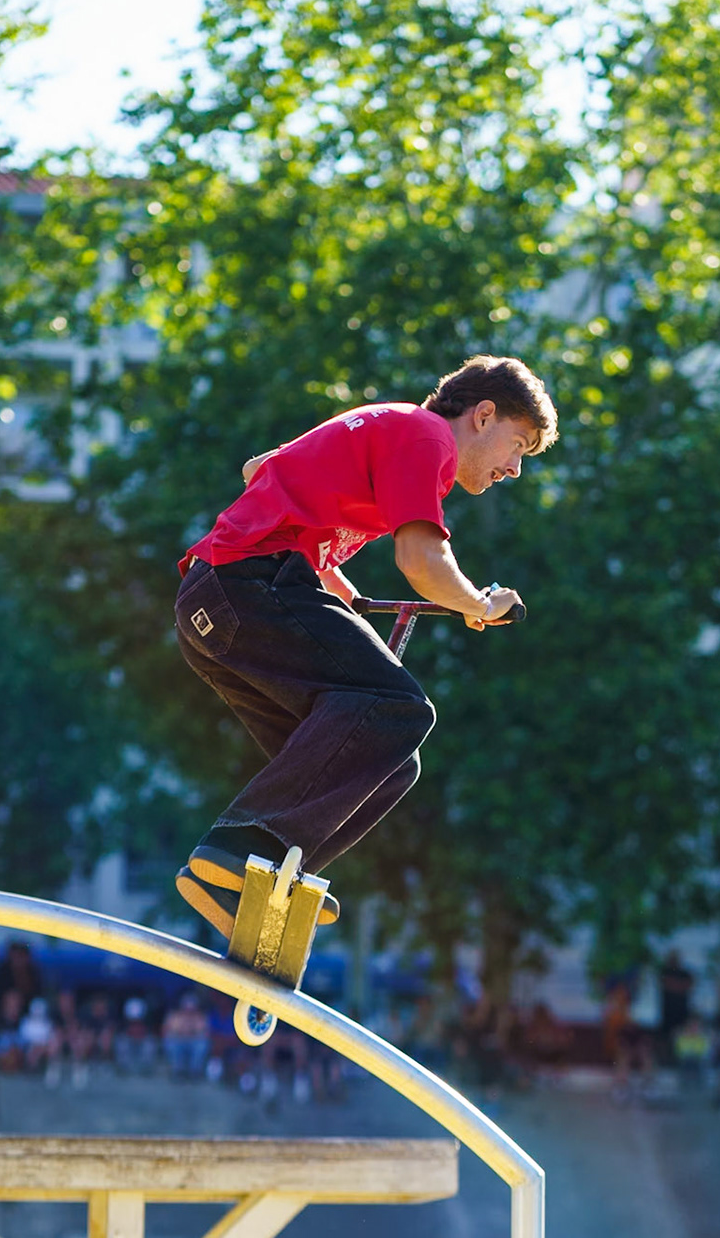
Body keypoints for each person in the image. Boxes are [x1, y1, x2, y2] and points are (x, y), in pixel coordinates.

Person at [171, 357, 557, 938]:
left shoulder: (387, 428)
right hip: (245, 586)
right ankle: (237, 846)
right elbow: (421, 561)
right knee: (398, 707)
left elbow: (261, 470)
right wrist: (477, 603)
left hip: (214, 608)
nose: (514, 469)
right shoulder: (426, 437)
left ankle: (252, 885)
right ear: (483, 416)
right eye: (518, 446)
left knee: (387, 760)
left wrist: (336, 585)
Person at [657, 952, 695, 1065]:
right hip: (668, 1011)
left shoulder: (684, 973)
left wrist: (674, 986)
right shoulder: (664, 971)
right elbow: (666, 983)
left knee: (681, 1036)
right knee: (665, 1037)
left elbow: (689, 984)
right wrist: (679, 986)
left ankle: (679, 1060)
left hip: (681, 1011)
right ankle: (665, 1060)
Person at [162, 992, 210, 1080]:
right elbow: (169, 1031)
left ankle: (194, 1072)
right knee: (171, 1043)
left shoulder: (200, 1017)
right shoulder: (175, 1016)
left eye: (191, 1010)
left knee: (202, 1044)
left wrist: (189, 1032)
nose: (188, 1012)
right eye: (186, 1009)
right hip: (179, 1041)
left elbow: (203, 1033)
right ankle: (177, 1071)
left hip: (193, 1042)